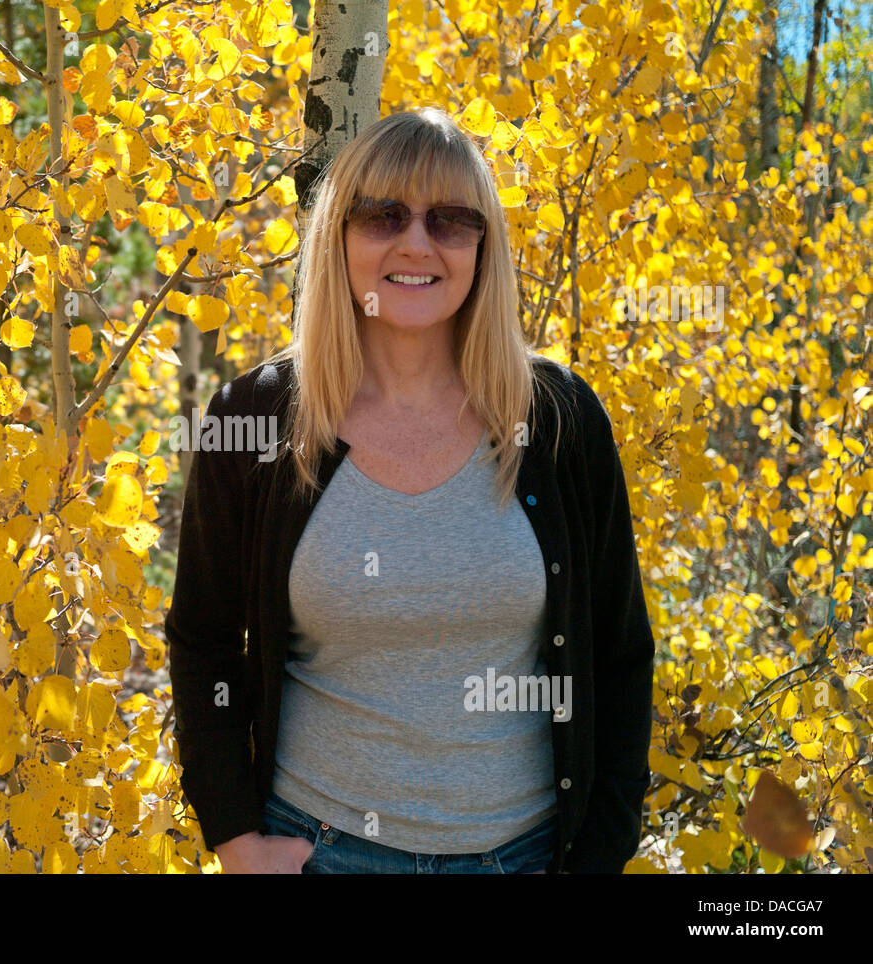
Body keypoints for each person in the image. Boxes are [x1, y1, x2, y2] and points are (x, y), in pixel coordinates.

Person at [165, 108, 656, 874]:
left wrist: (600, 853)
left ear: (484, 246)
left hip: (526, 856)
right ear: (339, 235)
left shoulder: (558, 422)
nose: (417, 242)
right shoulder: (258, 419)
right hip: (318, 851)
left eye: (452, 220)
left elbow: (620, 655)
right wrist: (233, 837)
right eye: (383, 214)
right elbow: (203, 641)